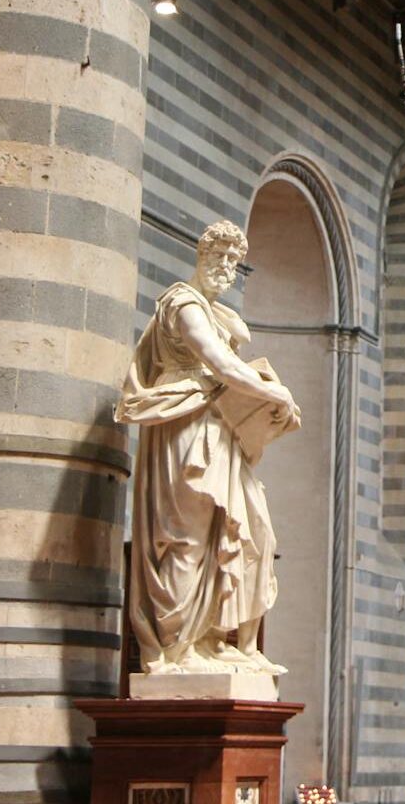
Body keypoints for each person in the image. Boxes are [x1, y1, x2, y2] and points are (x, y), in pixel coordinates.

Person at [120, 219, 300, 676]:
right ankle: (174, 649)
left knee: (253, 531)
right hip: (184, 426)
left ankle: (225, 642)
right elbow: (218, 363)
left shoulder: (219, 315)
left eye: (233, 261)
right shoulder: (183, 304)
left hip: (219, 430)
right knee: (188, 539)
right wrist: (272, 393)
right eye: (217, 257)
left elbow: (231, 371)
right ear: (201, 257)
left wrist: (270, 396)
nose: (224, 266)